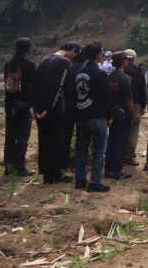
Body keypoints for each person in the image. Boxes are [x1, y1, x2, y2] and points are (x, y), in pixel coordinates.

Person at [33, 41, 81, 184]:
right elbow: (58, 86)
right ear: (72, 50)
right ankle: (56, 173)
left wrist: (36, 106)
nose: (73, 58)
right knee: (56, 141)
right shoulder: (64, 61)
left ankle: (46, 174)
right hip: (54, 109)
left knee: (44, 140)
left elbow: (36, 83)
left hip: (40, 107)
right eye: (75, 55)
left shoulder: (45, 59)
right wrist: (49, 108)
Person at [74, 42, 111, 192]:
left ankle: (80, 180)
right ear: (98, 55)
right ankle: (95, 182)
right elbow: (106, 98)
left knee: (81, 149)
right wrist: (109, 116)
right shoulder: (100, 73)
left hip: (81, 114)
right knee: (99, 150)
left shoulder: (79, 73)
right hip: (97, 115)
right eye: (101, 53)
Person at [3, 37, 36, 177]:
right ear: (29, 49)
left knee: (10, 137)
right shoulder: (29, 65)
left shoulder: (8, 64)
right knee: (22, 136)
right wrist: (33, 105)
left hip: (9, 105)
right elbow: (31, 87)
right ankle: (20, 167)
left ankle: (8, 167)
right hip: (23, 106)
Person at [104, 51, 138, 180]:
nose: (128, 62)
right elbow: (128, 100)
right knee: (120, 141)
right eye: (127, 60)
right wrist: (134, 116)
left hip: (111, 111)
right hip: (122, 112)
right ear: (124, 62)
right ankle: (116, 170)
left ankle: (108, 169)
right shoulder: (124, 78)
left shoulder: (110, 76)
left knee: (111, 139)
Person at [61, 49, 86, 171]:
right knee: (82, 137)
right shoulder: (85, 71)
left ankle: (63, 163)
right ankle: (79, 164)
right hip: (82, 107)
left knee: (66, 136)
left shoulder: (68, 70)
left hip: (67, 106)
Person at [122, 49, 146, 167]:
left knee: (120, 128)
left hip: (120, 103)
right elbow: (143, 89)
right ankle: (129, 157)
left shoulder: (119, 70)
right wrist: (144, 105)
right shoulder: (139, 71)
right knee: (133, 130)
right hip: (135, 103)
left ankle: (118, 155)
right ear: (134, 58)